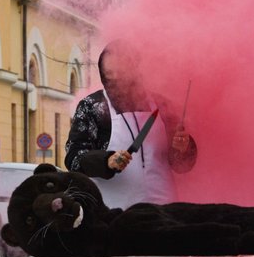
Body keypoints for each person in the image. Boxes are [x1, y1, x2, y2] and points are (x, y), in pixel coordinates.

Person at [65, 39, 197, 209]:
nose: (117, 80)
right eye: (110, 74)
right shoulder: (91, 106)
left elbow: (181, 165)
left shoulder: (161, 105)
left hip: (164, 209)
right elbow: (74, 158)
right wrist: (106, 161)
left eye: (123, 72)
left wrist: (183, 148)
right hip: (114, 212)